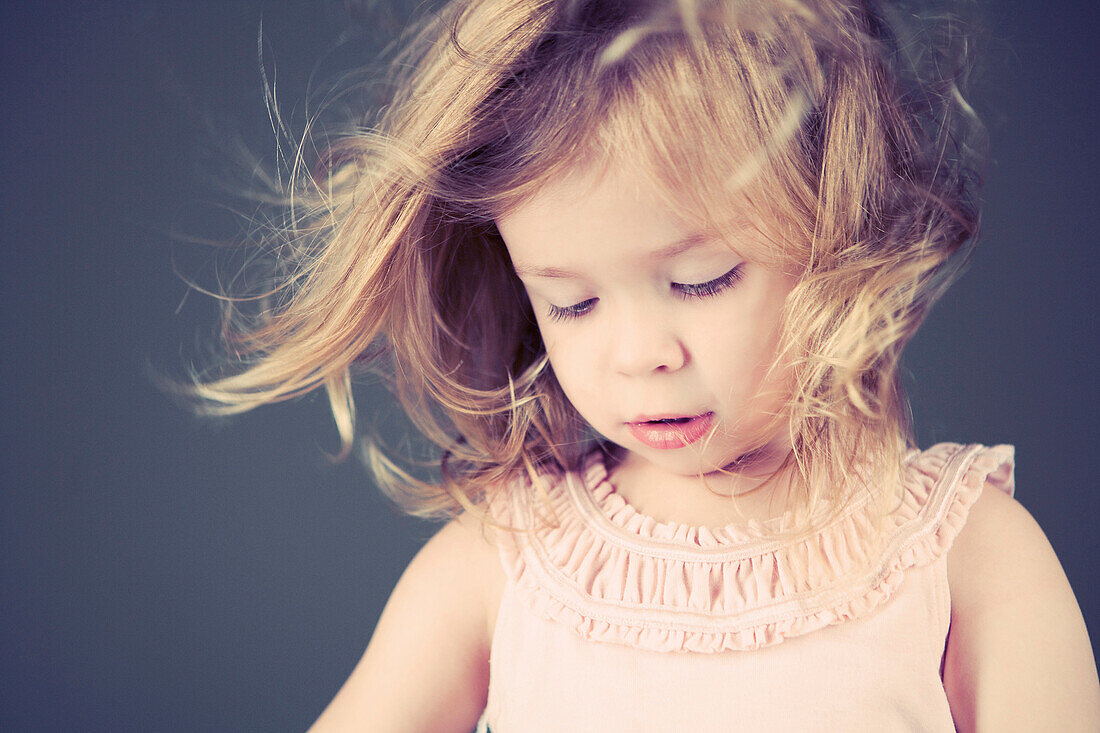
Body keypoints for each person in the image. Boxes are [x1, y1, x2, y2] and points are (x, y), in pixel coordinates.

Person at [183, 0, 1100, 730]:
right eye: (571, 303)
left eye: (700, 280)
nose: (636, 356)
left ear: (838, 223)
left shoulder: (968, 558)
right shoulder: (501, 567)